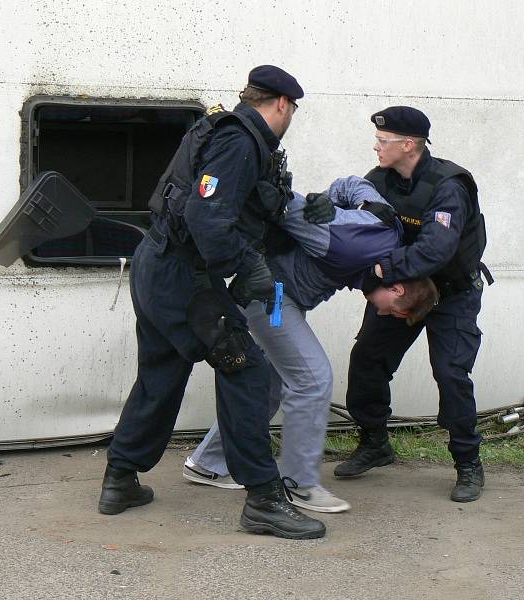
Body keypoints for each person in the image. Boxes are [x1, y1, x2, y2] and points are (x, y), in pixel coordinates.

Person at [97, 65, 326, 540]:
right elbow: (207, 215)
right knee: (248, 370)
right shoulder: (241, 141)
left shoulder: (222, 130)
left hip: (159, 264)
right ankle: (263, 499)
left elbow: (240, 207)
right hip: (183, 276)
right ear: (282, 104)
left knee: (162, 371)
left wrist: (305, 208)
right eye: (293, 112)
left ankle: (120, 478)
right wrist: (246, 263)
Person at [183, 177, 438, 512]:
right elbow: (284, 208)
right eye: (392, 309)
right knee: (313, 379)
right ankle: (298, 484)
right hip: (272, 298)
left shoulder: (385, 229)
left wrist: (331, 200)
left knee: (270, 386)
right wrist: (312, 205)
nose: (381, 311)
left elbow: (350, 184)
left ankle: (208, 463)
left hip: (279, 296)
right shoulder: (352, 246)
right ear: (399, 289)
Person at [333, 106, 492, 503]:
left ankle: (468, 463)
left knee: (451, 372)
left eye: (383, 141)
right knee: (368, 357)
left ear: (409, 144)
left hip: (451, 292)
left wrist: (384, 269)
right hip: (404, 288)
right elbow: (359, 226)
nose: (376, 147)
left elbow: (436, 249)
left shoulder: (447, 186)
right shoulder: (379, 181)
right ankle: (374, 442)